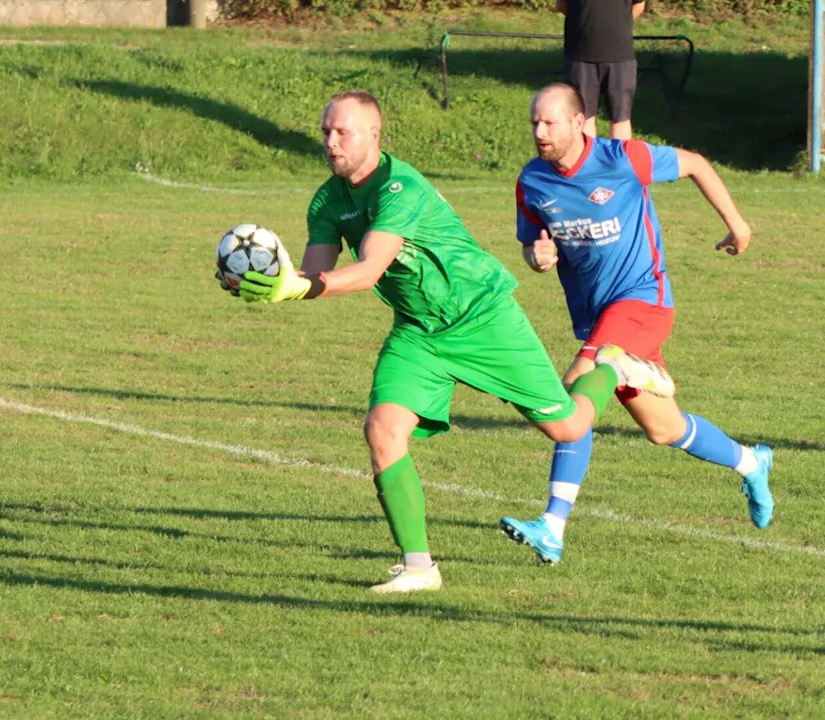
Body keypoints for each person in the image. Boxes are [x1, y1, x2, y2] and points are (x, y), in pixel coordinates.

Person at [234, 89, 674, 594]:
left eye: (343, 132)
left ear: (374, 136)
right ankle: (419, 567)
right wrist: (271, 281)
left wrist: (296, 284)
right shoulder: (327, 199)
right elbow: (316, 273)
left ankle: (616, 368)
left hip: (483, 315)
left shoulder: (399, 188)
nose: (331, 142)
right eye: (326, 132)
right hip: (420, 329)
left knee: (569, 427)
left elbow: (369, 267)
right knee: (382, 429)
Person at [498, 83, 773, 565]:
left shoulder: (622, 158)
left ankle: (553, 527)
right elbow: (533, 246)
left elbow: (695, 164)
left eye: (550, 122)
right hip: (597, 320)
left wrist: (739, 224)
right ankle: (752, 462)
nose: (539, 132)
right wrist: (537, 256)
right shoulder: (532, 181)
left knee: (573, 395)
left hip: (644, 301)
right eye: (534, 123)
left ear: (580, 123)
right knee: (664, 429)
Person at [556, 0, 646, 140]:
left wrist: (617, 26)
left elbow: (639, 6)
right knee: (583, 117)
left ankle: (618, 160)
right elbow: (562, 5)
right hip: (581, 56)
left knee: (620, 118)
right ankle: (588, 161)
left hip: (620, 56)